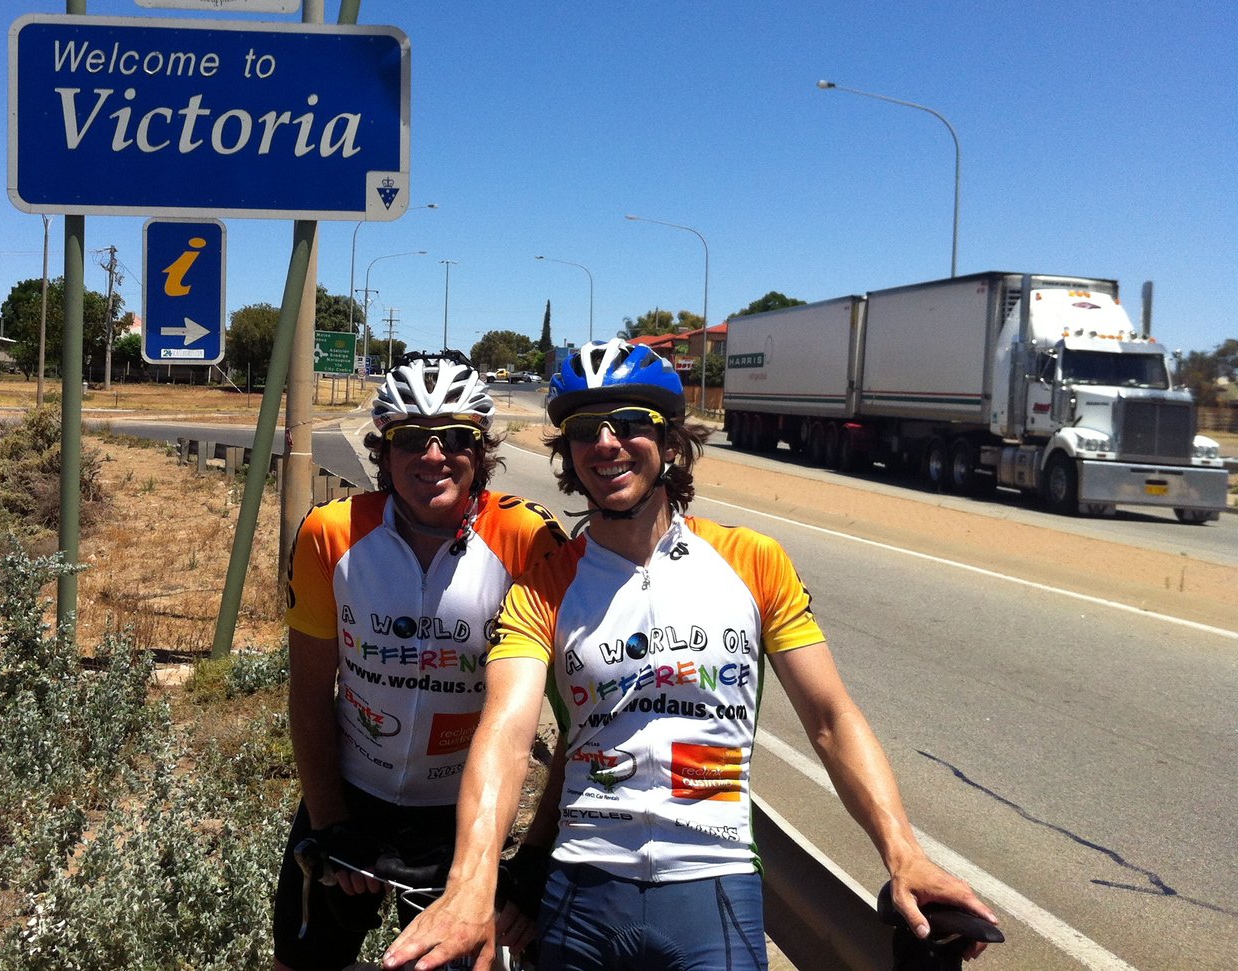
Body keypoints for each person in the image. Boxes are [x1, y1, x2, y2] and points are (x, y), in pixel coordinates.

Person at [384, 340, 999, 971]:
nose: (606, 443)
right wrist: (472, 883)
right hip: (583, 888)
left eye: (630, 424)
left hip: (715, 884)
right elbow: (507, 733)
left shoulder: (753, 561)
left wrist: (904, 854)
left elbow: (830, 720)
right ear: (567, 452)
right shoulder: (544, 584)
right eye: (585, 430)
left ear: (671, 443)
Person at [274, 350, 567, 971]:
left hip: (461, 817)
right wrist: (330, 821)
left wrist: (536, 857)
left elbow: (578, 721)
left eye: (455, 437)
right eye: (410, 438)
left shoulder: (529, 538)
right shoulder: (330, 532)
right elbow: (308, 693)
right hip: (351, 796)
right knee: (299, 962)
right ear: (383, 450)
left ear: (481, 449)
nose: (434, 455)